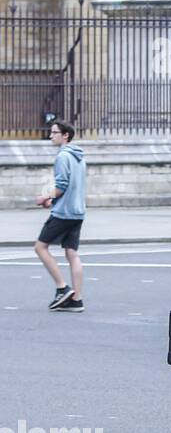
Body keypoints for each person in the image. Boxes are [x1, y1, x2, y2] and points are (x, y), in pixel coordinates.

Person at [34, 120, 86, 312]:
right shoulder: (79, 156)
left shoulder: (63, 156)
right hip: (78, 211)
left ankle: (62, 287)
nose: (50, 135)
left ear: (66, 135)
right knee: (72, 253)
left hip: (64, 213)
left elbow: (62, 185)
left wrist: (45, 197)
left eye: (54, 132)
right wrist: (53, 200)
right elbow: (73, 186)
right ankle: (77, 300)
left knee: (40, 247)